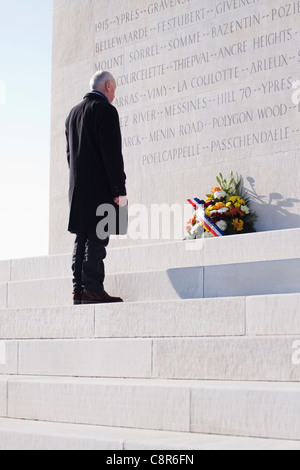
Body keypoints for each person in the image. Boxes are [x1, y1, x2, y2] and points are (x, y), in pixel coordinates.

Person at [65, 71, 127, 305]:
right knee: (98, 238)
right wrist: (118, 189)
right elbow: (112, 154)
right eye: (114, 90)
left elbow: (70, 156)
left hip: (78, 189)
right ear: (108, 85)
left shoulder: (73, 114)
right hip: (101, 187)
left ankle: (78, 291)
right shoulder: (105, 110)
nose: (114, 95)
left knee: (82, 237)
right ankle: (92, 289)